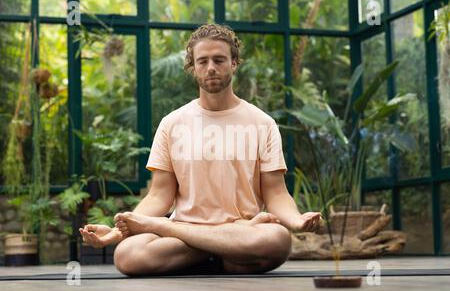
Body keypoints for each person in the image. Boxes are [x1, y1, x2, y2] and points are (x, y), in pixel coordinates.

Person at [79, 23, 322, 276]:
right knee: (127, 255)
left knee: (278, 239)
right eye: (203, 61)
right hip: (202, 234)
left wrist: (296, 221)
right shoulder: (172, 123)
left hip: (240, 228)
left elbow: (276, 193)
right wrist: (119, 232)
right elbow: (159, 195)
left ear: (234, 63)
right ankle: (224, 253)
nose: (211, 68)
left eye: (219, 60)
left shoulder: (263, 123)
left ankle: (202, 251)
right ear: (192, 67)